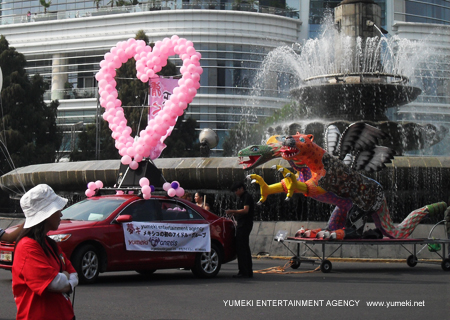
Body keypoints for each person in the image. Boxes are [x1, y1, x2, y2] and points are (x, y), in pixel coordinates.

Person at [12, 184, 78, 320]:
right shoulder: (27, 246)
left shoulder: (49, 243)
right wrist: (64, 277)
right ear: (46, 214)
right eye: (57, 209)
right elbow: (53, 283)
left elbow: (73, 273)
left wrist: (63, 278)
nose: (61, 213)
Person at [225, 181, 254, 278]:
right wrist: (235, 213)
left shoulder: (246, 196)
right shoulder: (242, 197)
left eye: (236, 191)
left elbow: (246, 210)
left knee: (241, 247)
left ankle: (244, 272)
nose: (235, 193)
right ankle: (247, 271)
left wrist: (232, 211)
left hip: (245, 225)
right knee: (244, 247)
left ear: (241, 188)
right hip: (242, 224)